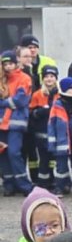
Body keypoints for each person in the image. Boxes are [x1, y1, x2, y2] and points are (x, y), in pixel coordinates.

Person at [0, 50, 33, 197]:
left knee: (14, 153)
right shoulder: (2, 79)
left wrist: (2, 103)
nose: (8, 67)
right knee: (3, 154)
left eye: (10, 63)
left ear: (16, 63)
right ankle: (9, 185)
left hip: (16, 123)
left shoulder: (24, 78)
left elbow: (20, 100)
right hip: (2, 124)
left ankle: (24, 185)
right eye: (5, 64)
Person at [27, 64, 59, 190]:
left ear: (56, 78)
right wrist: (39, 112)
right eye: (46, 76)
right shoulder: (37, 94)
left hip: (56, 132)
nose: (49, 79)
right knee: (44, 158)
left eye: (52, 76)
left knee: (55, 159)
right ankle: (43, 183)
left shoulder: (60, 94)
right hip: (41, 132)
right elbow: (31, 112)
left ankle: (56, 181)